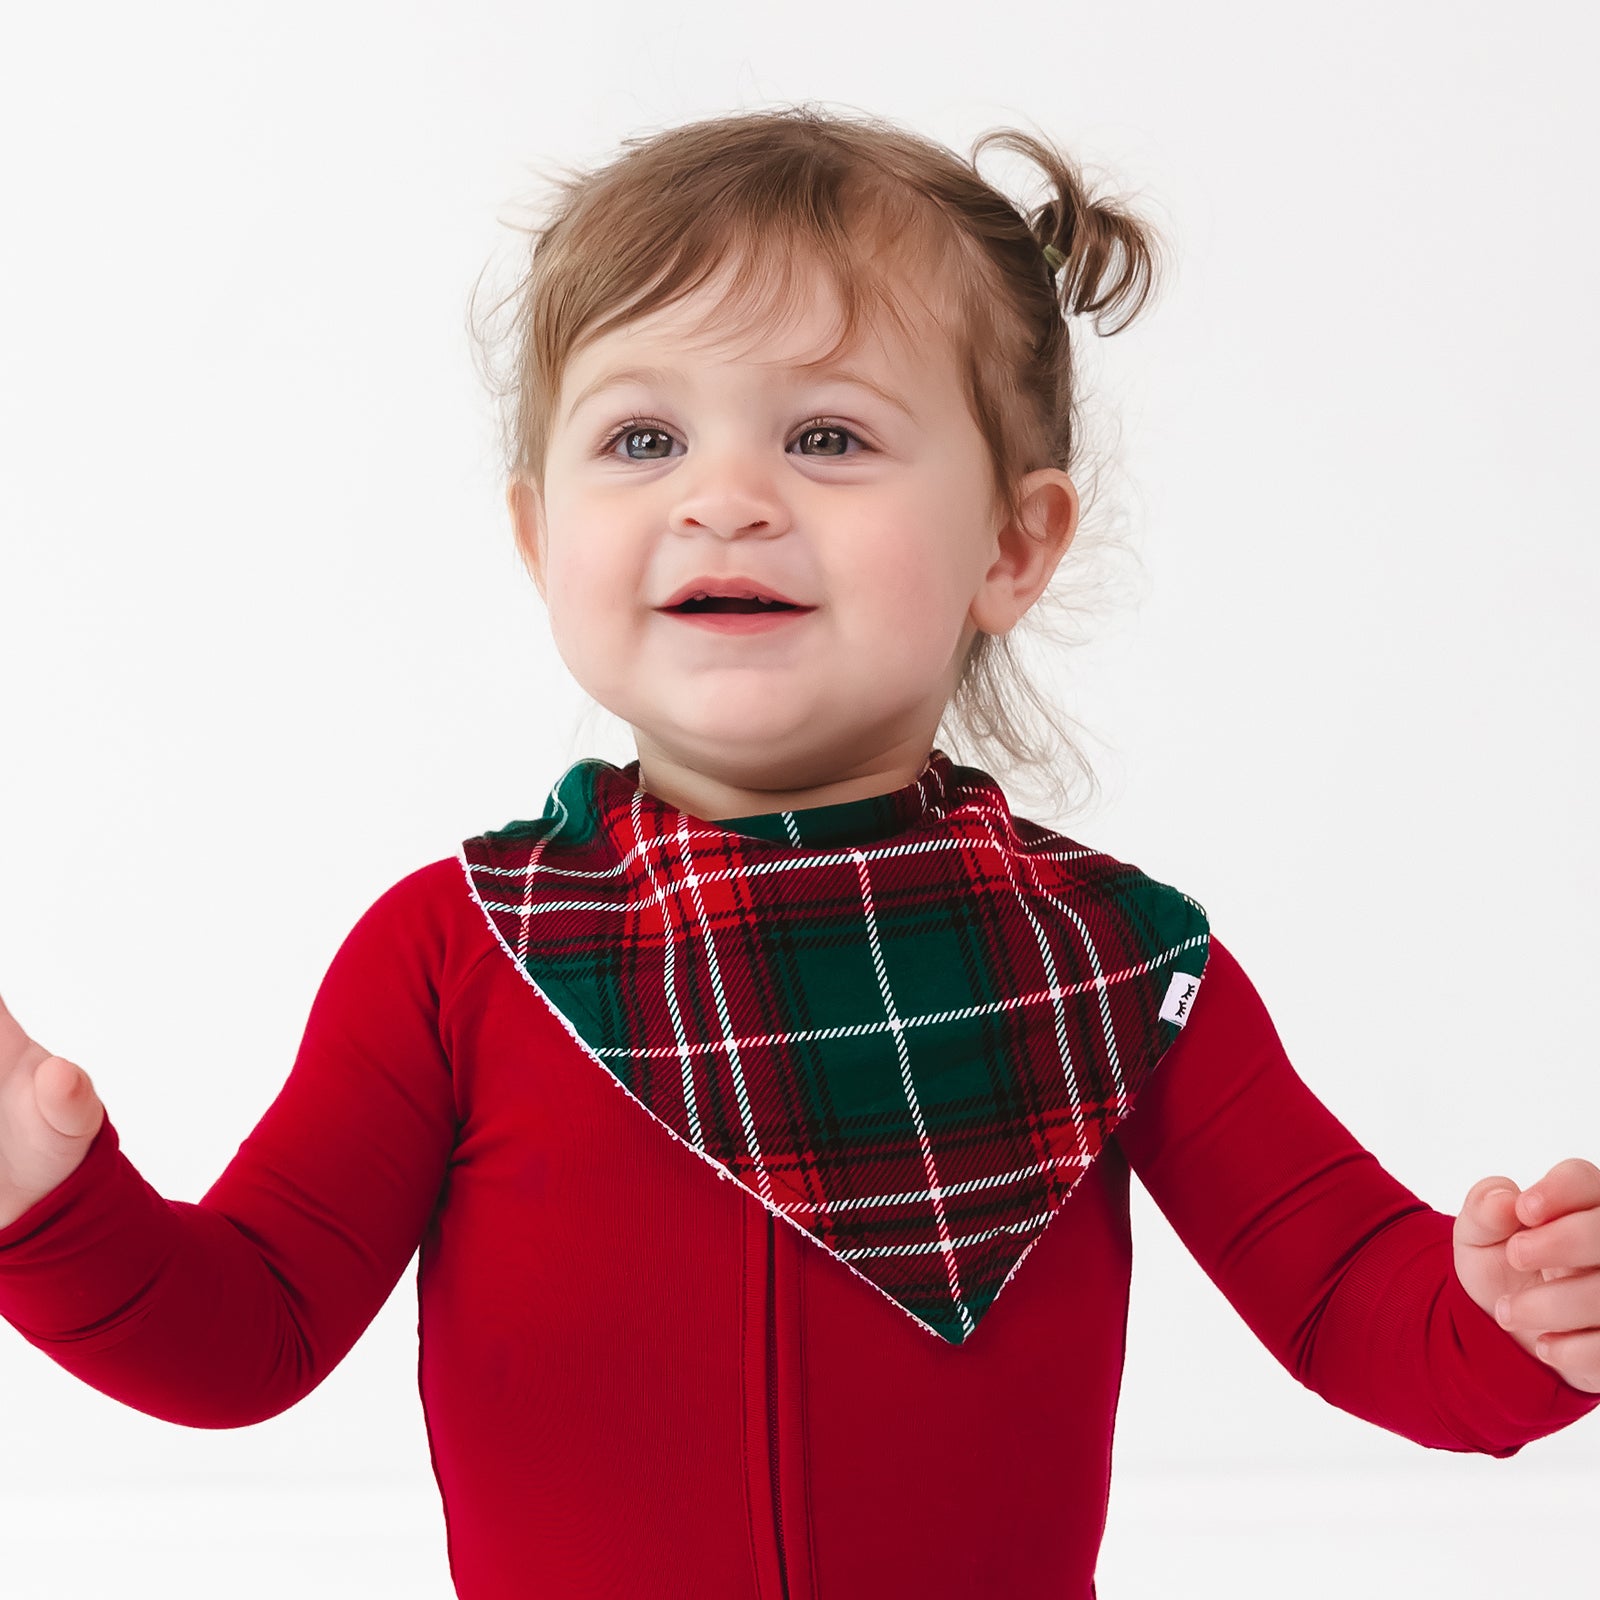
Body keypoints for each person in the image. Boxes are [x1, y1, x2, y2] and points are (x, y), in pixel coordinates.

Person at [1, 103, 1595, 1599]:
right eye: (641, 441)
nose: (728, 498)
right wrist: (47, 1208)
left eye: (828, 437)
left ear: (1013, 544)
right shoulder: (456, 953)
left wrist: (1519, 1318)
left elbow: (1354, 1307)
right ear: (538, 536)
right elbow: (242, 1340)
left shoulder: (1118, 964)